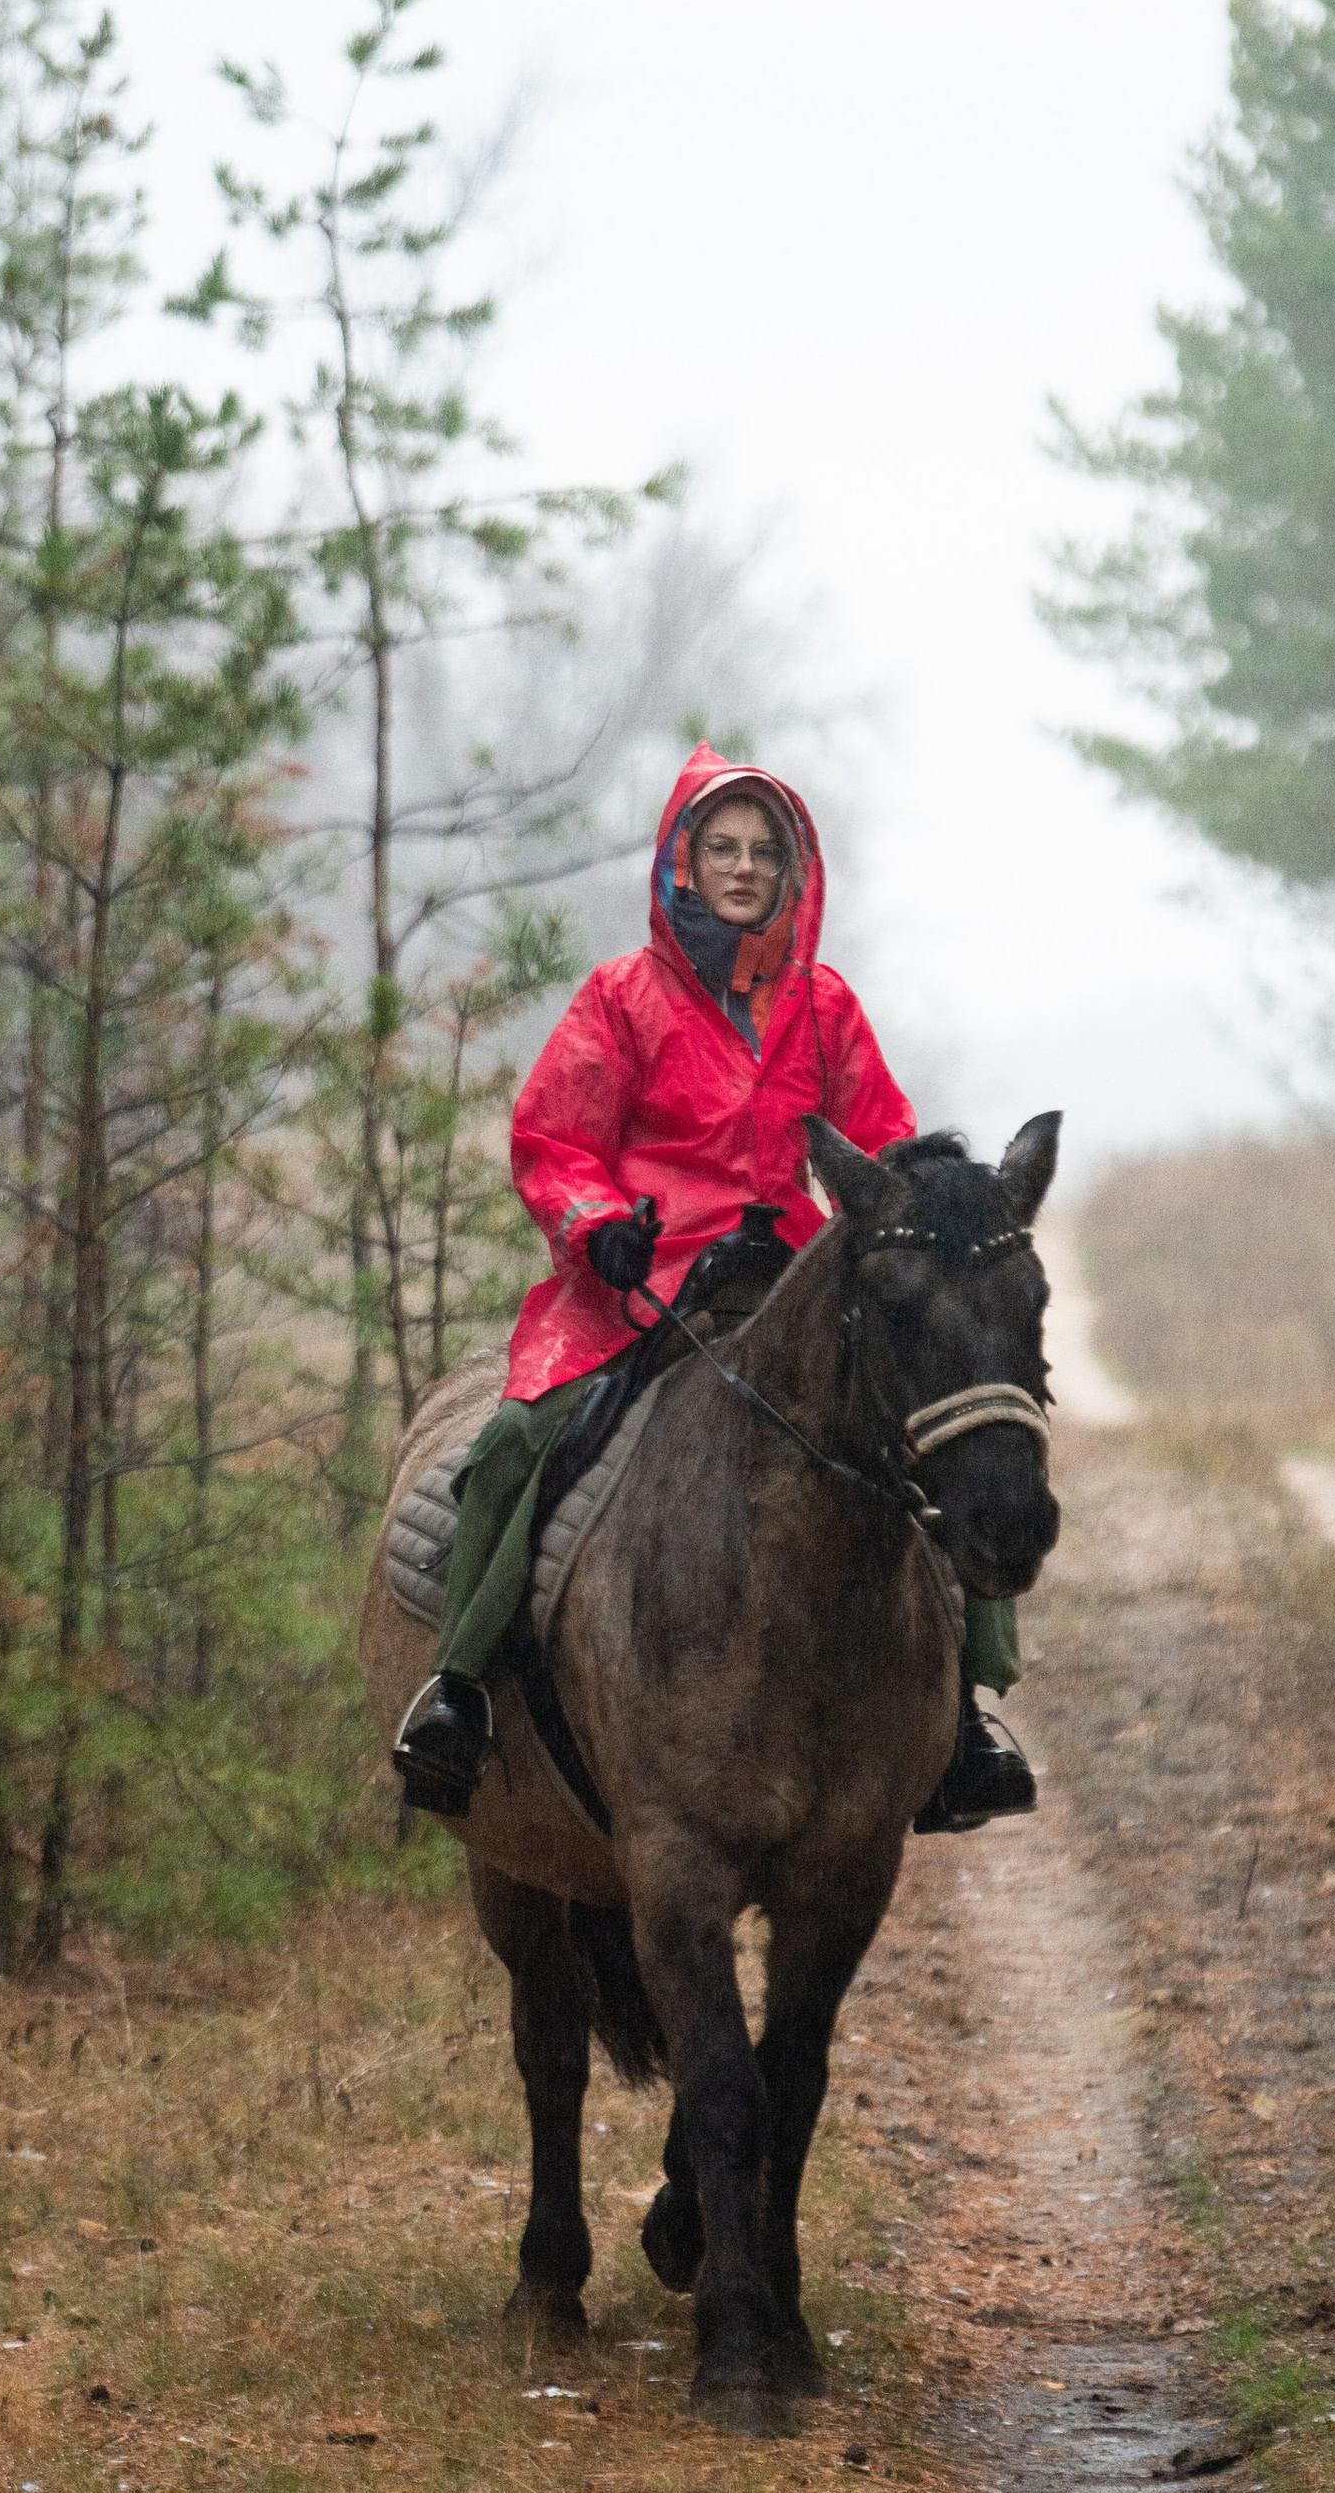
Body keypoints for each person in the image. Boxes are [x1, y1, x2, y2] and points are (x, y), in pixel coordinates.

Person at [391, 743, 1032, 1827]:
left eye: (762, 851)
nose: (742, 867)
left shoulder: (826, 1009)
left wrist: (929, 1216)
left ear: (793, 873)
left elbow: (882, 1151)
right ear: (680, 866)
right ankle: (457, 1692)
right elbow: (553, 1141)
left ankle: (963, 1719)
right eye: (721, 847)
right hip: (636, 1291)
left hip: (788, 1294)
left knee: (937, 1438)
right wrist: (599, 1229)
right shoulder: (620, 1000)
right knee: (512, 1446)